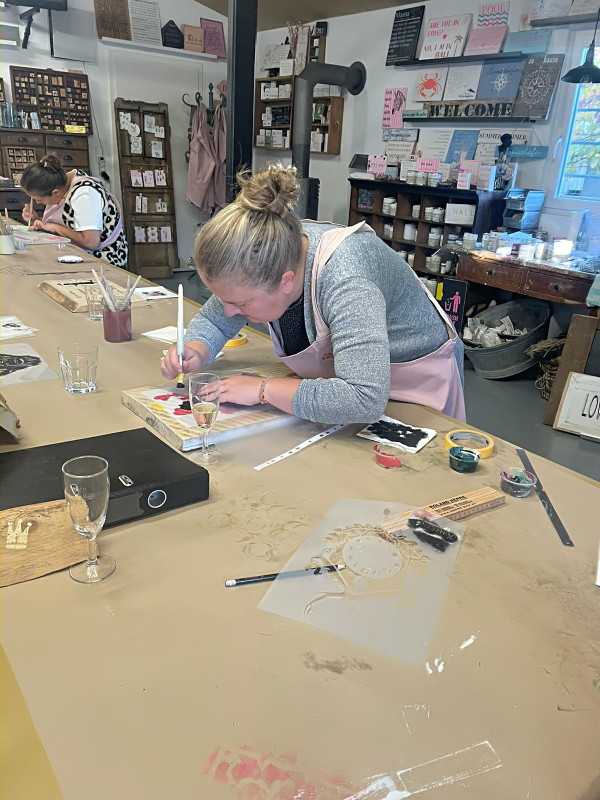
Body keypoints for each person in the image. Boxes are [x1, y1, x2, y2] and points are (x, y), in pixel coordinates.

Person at [162, 165, 465, 425]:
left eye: (239, 303)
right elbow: (215, 321)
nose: (228, 311)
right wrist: (198, 347)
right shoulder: (268, 251)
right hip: (346, 383)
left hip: (413, 386)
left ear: (286, 282)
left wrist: (262, 389)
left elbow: (363, 398)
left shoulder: (346, 278)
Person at [20, 155, 128, 268]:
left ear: (56, 193)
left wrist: (53, 227)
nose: (37, 203)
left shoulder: (84, 195)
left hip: (103, 264)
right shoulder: (62, 182)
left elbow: (91, 242)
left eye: (39, 199)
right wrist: (38, 221)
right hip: (77, 255)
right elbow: (73, 225)